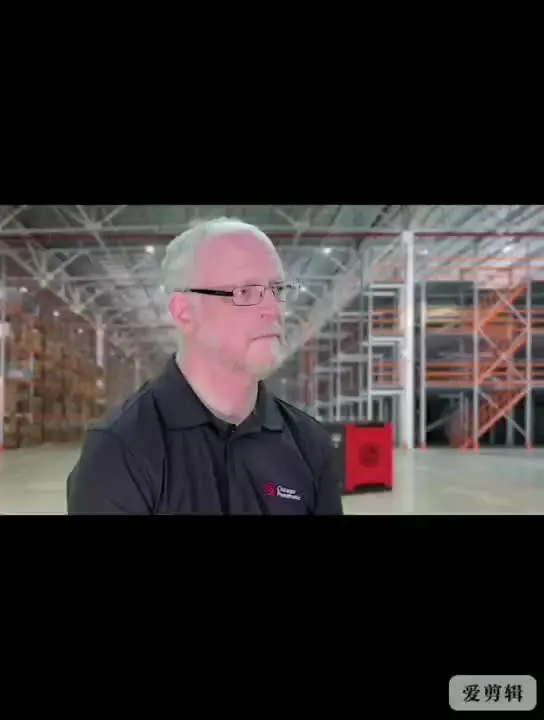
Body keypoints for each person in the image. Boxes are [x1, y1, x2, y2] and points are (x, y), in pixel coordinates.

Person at [66, 217, 344, 515]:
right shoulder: (121, 452)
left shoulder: (308, 444)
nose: (273, 309)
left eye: (277, 289)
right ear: (184, 312)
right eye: (244, 292)